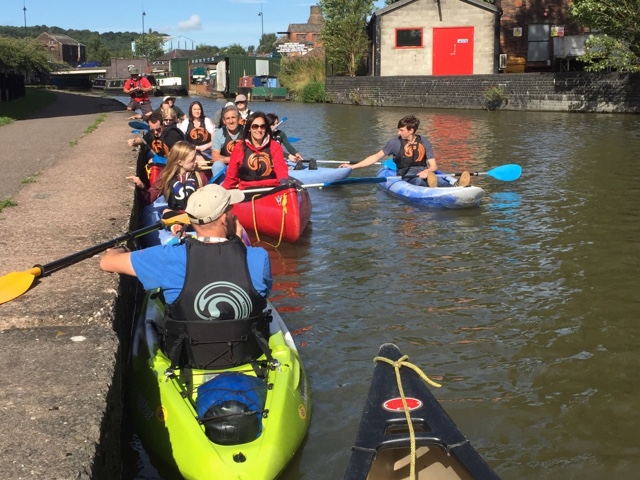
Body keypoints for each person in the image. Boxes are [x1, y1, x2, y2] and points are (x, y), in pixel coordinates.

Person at [100, 184, 272, 311]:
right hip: (247, 350)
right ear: (223, 218)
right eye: (230, 210)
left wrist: (120, 249)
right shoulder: (259, 257)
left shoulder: (169, 257)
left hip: (188, 353)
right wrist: (237, 241)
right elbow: (257, 292)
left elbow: (107, 262)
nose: (233, 214)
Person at [340, 115, 470, 188]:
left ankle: (456, 185)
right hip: (406, 176)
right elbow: (375, 157)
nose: (398, 132)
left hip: (424, 172)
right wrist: (353, 167)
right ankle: (439, 186)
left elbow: (434, 165)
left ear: (411, 130)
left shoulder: (424, 142)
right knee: (420, 182)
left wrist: (427, 171)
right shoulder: (394, 143)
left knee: (431, 178)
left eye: (401, 130)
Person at [127, 141, 207, 209]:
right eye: (193, 160)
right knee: (166, 212)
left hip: (196, 216)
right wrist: (142, 186)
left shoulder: (199, 175)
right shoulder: (165, 176)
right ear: (180, 162)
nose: (196, 161)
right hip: (175, 216)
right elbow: (149, 198)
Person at [221, 112, 290, 190]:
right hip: (246, 191)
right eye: (255, 126)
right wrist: (223, 191)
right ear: (249, 129)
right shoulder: (239, 148)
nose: (259, 130)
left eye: (262, 126)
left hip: (271, 190)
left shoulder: (275, 146)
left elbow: (280, 166)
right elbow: (231, 177)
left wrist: (284, 181)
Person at [128, 112, 187, 183]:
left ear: (163, 125)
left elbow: (178, 157)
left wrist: (157, 160)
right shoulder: (151, 133)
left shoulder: (173, 136)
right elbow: (143, 140)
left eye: (158, 129)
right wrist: (135, 141)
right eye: (152, 130)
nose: (155, 132)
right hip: (156, 170)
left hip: (171, 169)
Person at [178, 101, 216, 168]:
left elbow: (214, 140)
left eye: (199, 109)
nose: (197, 111)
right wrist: (193, 147)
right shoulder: (186, 122)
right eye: (194, 109)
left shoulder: (207, 121)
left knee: (215, 161)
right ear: (191, 111)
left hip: (206, 149)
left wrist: (205, 146)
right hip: (192, 149)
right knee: (199, 158)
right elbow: (180, 139)